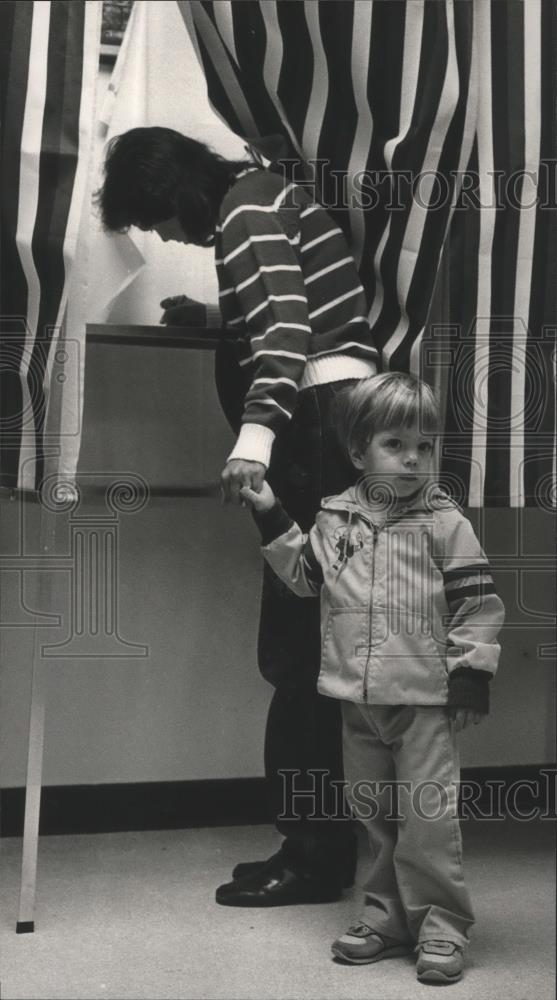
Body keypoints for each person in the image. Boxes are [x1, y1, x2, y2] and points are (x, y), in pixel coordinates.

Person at [97, 127, 380, 906]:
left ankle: (315, 855)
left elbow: (288, 335)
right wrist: (219, 317)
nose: (164, 235)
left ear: (177, 192)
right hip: (332, 428)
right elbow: (293, 306)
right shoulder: (262, 199)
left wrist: (253, 442)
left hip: (311, 433)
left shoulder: (246, 210)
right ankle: (318, 844)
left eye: (157, 219)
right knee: (315, 652)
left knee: (298, 657)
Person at [240, 372, 505, 984]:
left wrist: (470, 676)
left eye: (424, 447)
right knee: (374, 814)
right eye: (395, 445)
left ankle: (440, 925)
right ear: (358, 452)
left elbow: (480, 606)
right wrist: (270, 514)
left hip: (423, 701)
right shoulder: (334, 521)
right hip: (354, 698)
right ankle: (386, 916)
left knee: (428, 816)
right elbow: (304, 578)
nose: (413, 459)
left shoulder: (446, 524)